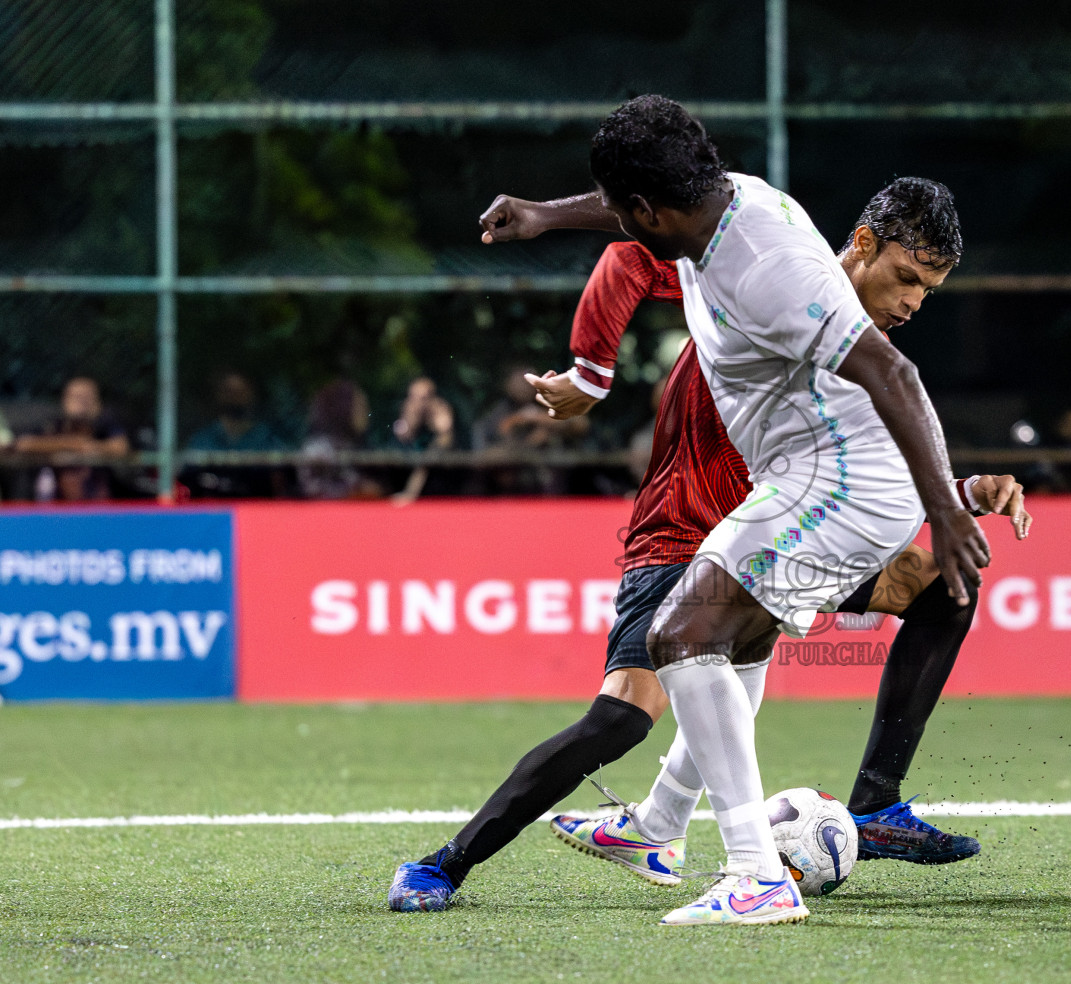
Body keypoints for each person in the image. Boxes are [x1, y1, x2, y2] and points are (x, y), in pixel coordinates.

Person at [395, 98, 995, 927]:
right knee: (730, 646)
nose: (913, 299)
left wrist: (946, 508)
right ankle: (664, 826)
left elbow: (896, 380)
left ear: (652, 214)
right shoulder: (722, 203)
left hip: (840, 486)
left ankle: (754, 871)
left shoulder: (768, 272)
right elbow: (628, 214)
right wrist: (545, 215)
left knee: (683, 639)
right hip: (804, 486)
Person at [472, 366, 588, 494]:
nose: (524, 386)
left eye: (529, 379)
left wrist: (537, 418)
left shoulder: (547, 401)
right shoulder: (499, 411)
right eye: (520, 381)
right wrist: (531, 442)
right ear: (507, 384)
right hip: (515, 485)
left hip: (555, 485)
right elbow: (490, 452)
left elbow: (580, 424)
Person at [15, 377, 129, 502]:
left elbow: (120, 447)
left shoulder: (105, 425)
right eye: (77, 397)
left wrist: (90, 446)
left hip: (99, 504)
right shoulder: (52, 425)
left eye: (88, 397)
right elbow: (24, 444)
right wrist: (70, 444)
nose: (83, 403)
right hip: (55, 504)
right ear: (65, 399)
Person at [182, 372, 288, 498]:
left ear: (252, 394)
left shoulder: (268, 440)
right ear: (218, 395)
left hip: (257, 511)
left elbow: (280, 486)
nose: (234, 397)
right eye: (229, 391)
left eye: (240, 392)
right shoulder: (202, 440)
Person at [298, 380, 382, 500]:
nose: (366, 413)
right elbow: (315, 491)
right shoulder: (319, 449)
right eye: (360, 407)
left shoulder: (358, 446)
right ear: (344, 408)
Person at [384, 376, 456, 505]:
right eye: (413, 397)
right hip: (402, 497)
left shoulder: (442, 424)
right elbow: (390, 457)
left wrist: (445, 433)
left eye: (424, 398)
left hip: (443, 498)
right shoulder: (400, 422)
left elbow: (437, 458)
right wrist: (408, 427)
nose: (419, 404)